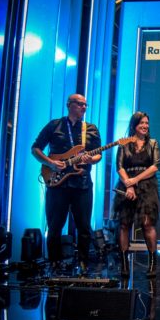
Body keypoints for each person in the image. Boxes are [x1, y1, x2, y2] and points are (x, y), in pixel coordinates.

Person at [32, 93, 102, 273]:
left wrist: (91, 159)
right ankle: (54, 262)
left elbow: (98, 155)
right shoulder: (54, 125)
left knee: (84, 226)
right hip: (58, 184)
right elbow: (35, 148)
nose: (84, 107)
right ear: (69, 105)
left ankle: (83, 262)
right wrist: (50, 163)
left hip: (82, 183)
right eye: (80, 104)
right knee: (55, 225)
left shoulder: (91, 129)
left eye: (85, 105)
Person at [113, 111, 160, 278]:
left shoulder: (153, 143)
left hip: (147, 186)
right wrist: (129, 184)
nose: (145, 126)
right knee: (124, 224)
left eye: (147, 123)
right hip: (126, 186)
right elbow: (119, 166)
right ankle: (124, 264)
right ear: (134, 125)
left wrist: (135, 180)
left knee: (148, 224)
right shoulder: (124, 144)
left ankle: (152, 264)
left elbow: (155, 166)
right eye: (142, 123)